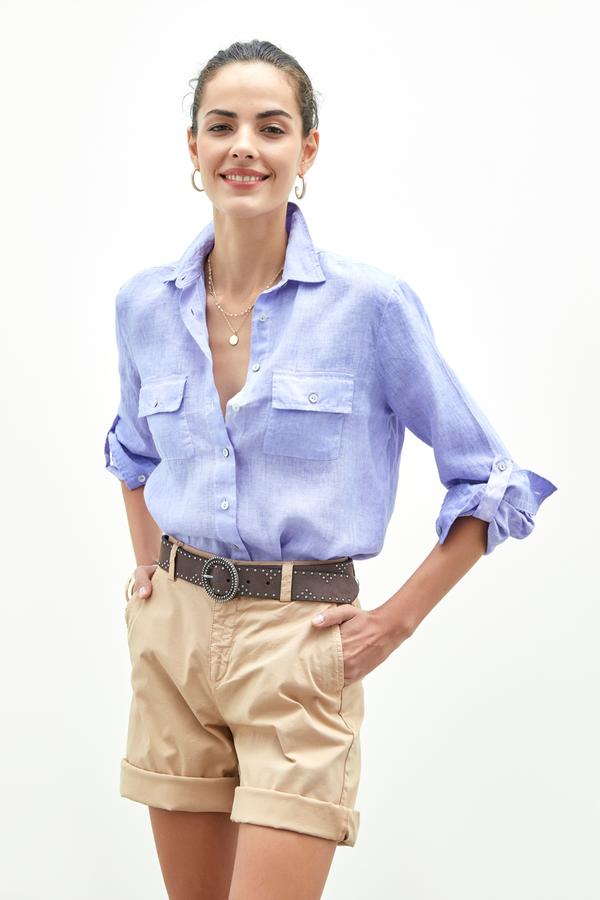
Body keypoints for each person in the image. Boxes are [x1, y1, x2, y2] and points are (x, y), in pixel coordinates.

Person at [104, 39, 558, 900]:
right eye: (221, 126)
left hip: (298, 645)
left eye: (271, 127)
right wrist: (149, 580)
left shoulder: (370, 306)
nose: (244, 146)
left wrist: (394, 625)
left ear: (306, 150)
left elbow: (491, 481)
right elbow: (131, 454)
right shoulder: (143, 306)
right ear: (193, 148)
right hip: (172, 643)